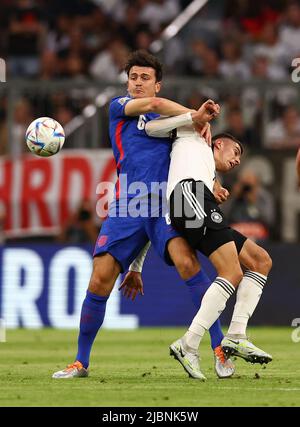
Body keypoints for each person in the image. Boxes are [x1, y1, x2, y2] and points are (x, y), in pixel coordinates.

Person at [52, 50, 228, 379]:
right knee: (100, 278)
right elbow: (155, 106)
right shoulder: (119, 108)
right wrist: (197, 116)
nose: (137, 83)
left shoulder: (174, 126)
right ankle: (80, 361)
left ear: (157, 84)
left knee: (188, 264)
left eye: (145, 78)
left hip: (163, 203)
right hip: (127, 204)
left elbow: (193, 157)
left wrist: (211, 180)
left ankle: (220, 349)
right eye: (133, 77)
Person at [121, 119, 272, 380]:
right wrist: (194, 116)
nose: (237, 160)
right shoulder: (194, 134)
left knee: (260, 260)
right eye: (235, 152)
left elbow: (204, 179)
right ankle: (192, 343)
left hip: (196, 199)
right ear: (219, 143)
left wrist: (215, 188)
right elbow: (150, 128)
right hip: (188, 196)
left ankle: (235, 334)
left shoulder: (208, 173)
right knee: (231, 272)